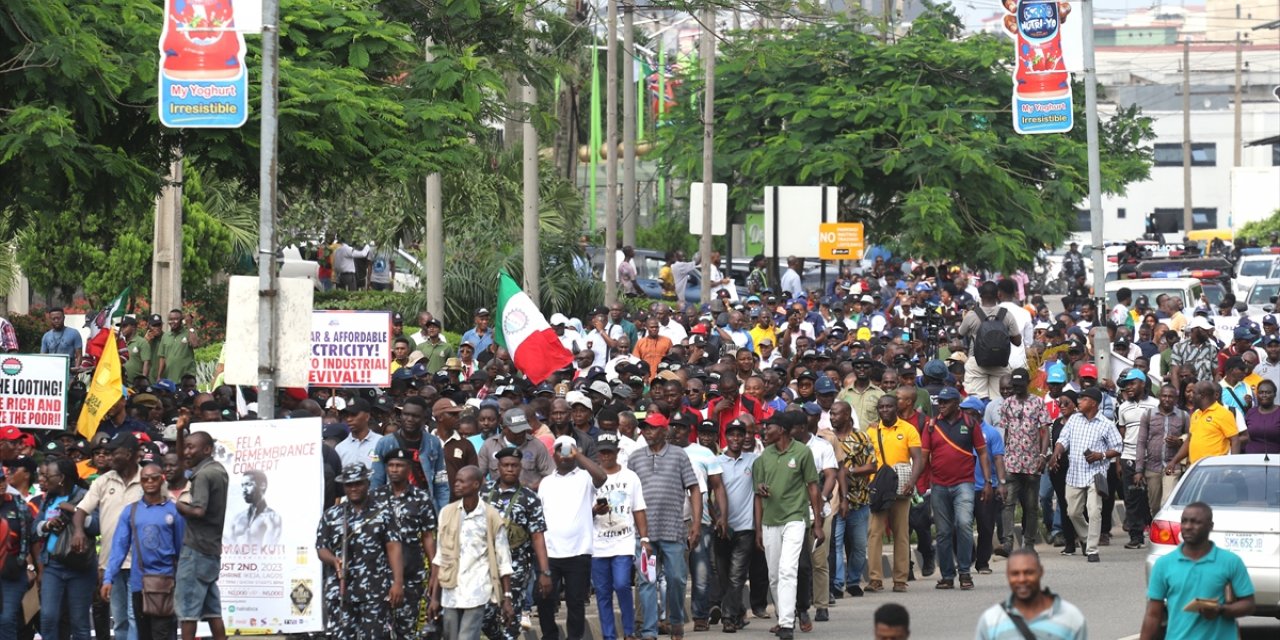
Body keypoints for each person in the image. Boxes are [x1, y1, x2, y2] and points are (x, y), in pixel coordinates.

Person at [627, 413, 701, 640]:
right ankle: (649, 630)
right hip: (645, 534)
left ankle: (676, 620)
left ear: (664, 431)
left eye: (652, 428)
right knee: (646, 582)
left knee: (677, 578)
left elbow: (694, 489)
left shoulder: (679, 455)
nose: (647, 432)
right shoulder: (635, 458)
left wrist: (696, 523)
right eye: (645, 428)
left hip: (672, 530)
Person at [1140, 502, 1256, 640]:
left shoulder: (1231, 561)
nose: (1188, 527)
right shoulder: (1163, 565)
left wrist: (1221, 610)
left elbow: (1249, 604)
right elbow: (1153, 614)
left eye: (1196, 522)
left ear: (1210, 526)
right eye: (1184, 521)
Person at [753, 412, 822, 640]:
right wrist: (758, 529)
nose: (764, 431)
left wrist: (817, 523)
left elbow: (813, 487)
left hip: (795, 518)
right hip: (770, 521)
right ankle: (786, 615)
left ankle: (785, 624)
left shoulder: (802, 452)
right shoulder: (763, 458)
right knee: (774, 575)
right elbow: (757, 495)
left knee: (788, 570)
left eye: (768, 427)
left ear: (781, 429)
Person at [316, 463, 407, 639]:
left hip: (374, 591)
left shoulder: (383, 513)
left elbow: (394, 547)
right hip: (340, 591)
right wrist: (334, 561)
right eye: (349, 484)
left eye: (358, 483)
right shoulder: (332, 514)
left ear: (367, 482)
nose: (354, 488)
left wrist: (397, 582)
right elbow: (321, 548)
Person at [72, 432, 146, 640]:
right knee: (120, 617)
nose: (109, 457)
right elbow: (81, 510)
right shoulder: (103, 481)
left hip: (140, 561)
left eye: (114, 452)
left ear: (129, 454)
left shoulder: (148, 479)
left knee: (134, 617)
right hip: (110, 561)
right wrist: (78, 530)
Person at [428, 466, 515, 640]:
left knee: (467, 637)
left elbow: (503, 558)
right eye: (456, 480)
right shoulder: (447, 513)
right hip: (450, 590)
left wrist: (507, 597)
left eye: (462, 481)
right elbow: (440, 558)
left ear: (476, 485)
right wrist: (434, 597)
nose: (456, 484)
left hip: (477, 590)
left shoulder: (490, 515)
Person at [535, 435, 607, 640]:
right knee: (544, 598)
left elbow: (601, 477)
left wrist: (578, 455)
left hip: (578, 551)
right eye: (560, 450)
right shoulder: (546, 482)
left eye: (569, 451)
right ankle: (549, 636)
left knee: (576, 602)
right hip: (550, 551)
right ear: (553, 455)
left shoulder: (585, 477)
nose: (564, 455)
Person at [103, 462, 184, 640]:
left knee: (163, 634)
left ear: (162, 479)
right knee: (143, 633)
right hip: (139, 583)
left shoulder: (174, 510)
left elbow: (181, 550)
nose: (149, 482)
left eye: (154, 478)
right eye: (145, 479)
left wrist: (183, 581)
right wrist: (109, 577)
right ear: (140, 482)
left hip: (166, 583)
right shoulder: (130, 511)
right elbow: (119, 546)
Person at [921, 387, 991, 590]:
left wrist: (987, 481)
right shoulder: (932, 425)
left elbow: (983, 454)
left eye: (946, 402)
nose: (941, 405)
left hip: (964, 484)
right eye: (940, 402)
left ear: (956, 403)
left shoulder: (970, 424)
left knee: (964, 524)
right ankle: (947, 575)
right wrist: (921, 482)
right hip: (939, 485)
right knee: (943, 532)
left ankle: (965, 572)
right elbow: (924, 457)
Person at [482, 447, 552, 640]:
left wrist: (544, 572)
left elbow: (538, 536)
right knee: (484, 616)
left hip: (516, 568)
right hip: (483, 566)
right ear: (498, 467)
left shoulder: (529, 498)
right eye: (506, 465)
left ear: (520, 467)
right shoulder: (483, 493)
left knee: (510, 617)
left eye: (514, 465)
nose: (510, 469)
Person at [370, 447, 437, 639]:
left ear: (409, 469)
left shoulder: (421, 499)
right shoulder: (375, 498)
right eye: (390, 465)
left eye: (399, 465)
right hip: (379, 574)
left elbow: (427, 537)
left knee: (406, 629)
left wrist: (434, 570)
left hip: (411, 572)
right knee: (378, 629)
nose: (394, 469)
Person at [1050, 387, 1122, 563]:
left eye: (1083, 399)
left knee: (1094, 510)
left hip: (1095, 474)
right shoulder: (1074, 419)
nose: (1079, 402)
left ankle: (1091, 549)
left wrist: (1101, 455)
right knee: (1072, 512)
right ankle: (1085, 537)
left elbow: (1118, 447)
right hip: (1074, 473)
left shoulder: (1106, 424)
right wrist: (1056, 453)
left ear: (1093, 403)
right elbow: (1063, 440)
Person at [590, 432, 648, 640]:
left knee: (623, 584)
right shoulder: (590, 477)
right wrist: (596, 510)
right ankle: (609, 635)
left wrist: (644, 539)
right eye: (602, 452)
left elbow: (638, 509)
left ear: (617, 452)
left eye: (609, 452)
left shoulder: (630, 477)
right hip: (598, 543)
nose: (605, 456)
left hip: (623, 541)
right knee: (603, 592)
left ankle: (629, 630)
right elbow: (583, 512)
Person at [174, 430, 229, 640]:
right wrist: (180, 431)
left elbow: (198, 511)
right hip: (211, 550)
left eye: (191, 447)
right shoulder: (218, 470)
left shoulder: (204, 475)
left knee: (188, 611)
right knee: (212, 608)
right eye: (186, 446)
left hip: (196, 550)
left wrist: (179, 505)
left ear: (206, 450)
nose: (187, 452)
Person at [865, 395, 923, 593]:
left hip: (901, 487)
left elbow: (917, 458)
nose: (885, 410)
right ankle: (875, 579)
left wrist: (912, 482)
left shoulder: (908, 430)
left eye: (888, 406)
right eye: (881, 407)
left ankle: (900, 579)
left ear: (896, 408)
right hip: (879, 488)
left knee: (901, 533)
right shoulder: (872, 431)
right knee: (874, 533)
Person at [973, 549, 1087, 639]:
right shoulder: (991, 621)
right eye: (1015, 574)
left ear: (1041, 572)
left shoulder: (1071, 618)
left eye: (1029, 572)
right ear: (1007, 575)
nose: (1022, 579)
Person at [997, 367, 1049, 555]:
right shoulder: (1007, 404)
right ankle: (1008, 542)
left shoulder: (1037, 403)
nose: (1016, 389)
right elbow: (1005, 432)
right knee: (1008, 503)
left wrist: (1043, 456)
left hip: (1032, 462)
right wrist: (1003, 457)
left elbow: (1045, 431)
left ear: (1027, 384)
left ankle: (1029, 543)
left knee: (1031, 506)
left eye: (1019, 385)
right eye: (1014, 385)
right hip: (1012, 462)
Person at [714, 419, 758, 632]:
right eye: (732, 434)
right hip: (722, 528)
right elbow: (709, 493)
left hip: (745, 528)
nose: (736, 438)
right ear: (726, 437)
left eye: (740, 435)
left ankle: (728, 617)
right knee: (724, 576)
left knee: (737, 575)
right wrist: (716, 517)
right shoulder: (716, 461)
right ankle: (739, 610)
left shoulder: (754, 460)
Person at [371, 396, 450, 512]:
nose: (409, 419)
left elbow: (441, 483)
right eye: (406, 414)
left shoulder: (433, 443)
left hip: (425, 510)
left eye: (415, 416)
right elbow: (376, 481)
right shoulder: (384, 443)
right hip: (393, 510)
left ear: (424, 419)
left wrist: (443, 513)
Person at [833, 400, 876, 598]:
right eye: (831, 414)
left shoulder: (862, 437)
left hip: (859, 499)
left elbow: (871, 466)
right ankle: (837, 584)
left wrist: (847, 471)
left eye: (836, 414)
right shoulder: (827, 438)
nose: (833, 418)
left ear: (848, 415)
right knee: (836, 543)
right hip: (835, 501)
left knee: (859, 545)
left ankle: (853, 581)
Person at [957, 281, 1022, 399]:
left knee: (975, 402)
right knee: (999, 401)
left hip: (976, 364)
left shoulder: (972, 315)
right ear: (997, 294)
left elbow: (960, 335)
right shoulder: (1006, 315)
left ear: (980, 295)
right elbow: (1017, 342)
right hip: (1000, 364)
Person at [1168, 380, 1244, 469]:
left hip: (1215, 469)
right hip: (1195, 468)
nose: (1191, 396)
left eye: (1194, 393)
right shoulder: (1196, 414)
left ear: (1202, 395)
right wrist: (1174, 462)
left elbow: (1235, 440)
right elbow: (1189, 440)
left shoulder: (1224, 414)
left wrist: (1233, 466)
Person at [476, 407, 553, 489]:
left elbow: (550, 475)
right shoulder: (489, 445)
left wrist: (532, 489)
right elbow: (478, 475)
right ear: (504, 428)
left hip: (528, 498)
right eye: (516, 431)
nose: (521, 433)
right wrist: (491, 491)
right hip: (496, 498)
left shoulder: (537, 445)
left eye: (523, 429)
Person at [0, 464, 34, 639]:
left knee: (6, 619)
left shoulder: (19, 505)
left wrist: (31, 567)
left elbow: (29, 539)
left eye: (2, 479)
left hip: (12, 572)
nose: (0, 484)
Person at [228, 469, 282, 545]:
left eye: (248, 484)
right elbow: (229, 546)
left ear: (262, 486)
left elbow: (269, 548)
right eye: (242, 486)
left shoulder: (273, 517)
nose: (244, 490)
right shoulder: (237, 518)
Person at [336, 398, 382, 470]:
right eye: (346, 415)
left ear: (367, 416)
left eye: (354, 415)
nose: (349, 419)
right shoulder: (340, 448)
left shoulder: (381, 442)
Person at [156, 309, 200, 382]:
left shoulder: (188, 333)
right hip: (169, 379)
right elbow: (162, 357)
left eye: (176, 319)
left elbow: (195, 344)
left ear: (182, 320)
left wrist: (189, 324)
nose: (172, 322)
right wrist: (159, 376)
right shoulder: (165, 336)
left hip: (186, 380)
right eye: (170, 319)